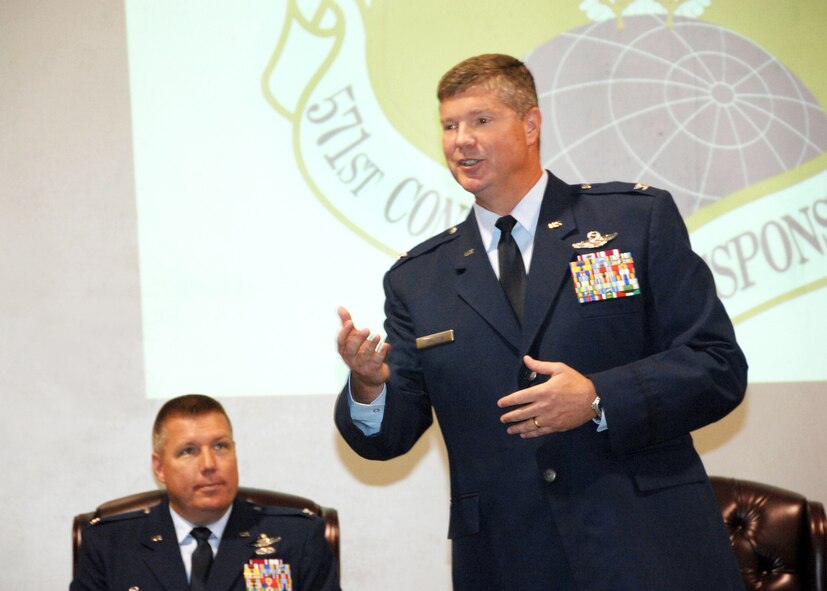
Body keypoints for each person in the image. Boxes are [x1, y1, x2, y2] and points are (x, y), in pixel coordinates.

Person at [335, 53, 747, 590]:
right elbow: (388, 438)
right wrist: (369, 387)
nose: (461, 140)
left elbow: (716, 366)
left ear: (530, 124)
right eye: (449, 126)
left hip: (647, 548)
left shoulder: (632, 222)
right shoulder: (419, 279)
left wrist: (599, 397)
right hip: (508, 561)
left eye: (480, 121)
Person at [72, 394, 340, 591]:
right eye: (189, 451)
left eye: (220, 447)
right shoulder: (109, 545)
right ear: (159, 468)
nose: (209, 465)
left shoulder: (299, 538)